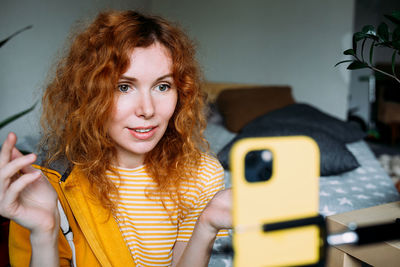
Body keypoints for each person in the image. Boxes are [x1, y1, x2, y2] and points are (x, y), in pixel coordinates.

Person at [0, 10, 231, 267]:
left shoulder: (201, 175)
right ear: (90, 94)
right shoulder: (47, 179)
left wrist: (206, 226)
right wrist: (44, 231)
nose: (147, 109)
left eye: (162, 86)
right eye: (124, 87)